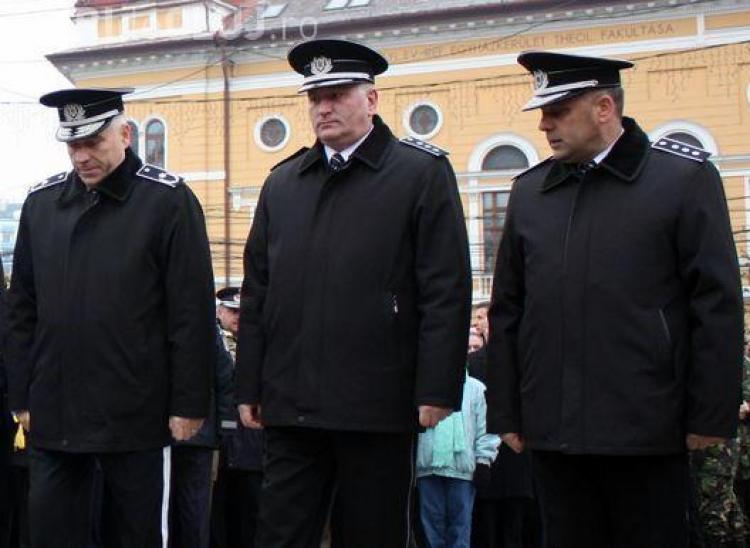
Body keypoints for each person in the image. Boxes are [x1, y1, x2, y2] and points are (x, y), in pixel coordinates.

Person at [487, 51, 743, 547]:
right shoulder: (532, 193)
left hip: (647, 426)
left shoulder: (679, 180)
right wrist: (507, 411)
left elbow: (716, 303)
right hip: (554, 429)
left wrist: (711, 413)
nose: (544, 125)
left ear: (604, 108)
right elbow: (509, 308)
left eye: (558, 111)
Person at [236, 38, 472, 547]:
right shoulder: (283, 183)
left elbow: (445, 288)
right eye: (315, 97)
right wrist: (249, 384)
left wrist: (437, 388)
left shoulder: (418, 173)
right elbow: (258, 292)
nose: (323, 107)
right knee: (279, 532)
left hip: (377, 402)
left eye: (337, 95)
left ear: (371, 99)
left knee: (371, 532)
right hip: (293, 400)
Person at [5, 88, 216, 548]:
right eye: (72, 145)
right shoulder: (42, 204)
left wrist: (189, 403)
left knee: (137, 534)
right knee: (51, 532)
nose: (82, 156)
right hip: (55, 412)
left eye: (93, 142)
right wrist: (21, 396)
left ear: (124, 135)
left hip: (135, 413)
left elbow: (190, 311)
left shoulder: (167, 201)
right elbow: (21, 308)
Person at [416, 371, 499, 548]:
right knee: (431, 532)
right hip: (427, 467)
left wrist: (484, 460)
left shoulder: (476, 389)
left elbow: (487, 426)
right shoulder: (422, 386)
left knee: (460, 531)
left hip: (462, 471)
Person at [169, 325, 234, 548]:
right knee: (193, 508)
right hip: (197, 434)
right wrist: (226, 430)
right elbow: (226, 379)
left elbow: (225, 380)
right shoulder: (207, 330)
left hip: (173, 436)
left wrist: (226, 429)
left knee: (181, 509)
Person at [211, 287, 265, 548]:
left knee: (249, 510)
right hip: (220, 439)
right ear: (219, 311)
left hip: (251, 443)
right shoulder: (214, 343)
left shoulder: (255, 345)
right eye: (232, 311)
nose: (237, 317)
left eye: (242, 312)